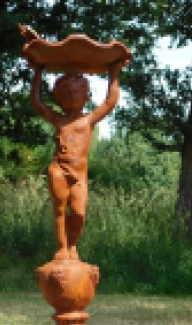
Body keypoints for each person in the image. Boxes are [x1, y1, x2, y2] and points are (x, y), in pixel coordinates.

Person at [30, 61, 125, 260]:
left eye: (77, 93)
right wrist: (38, 73)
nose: (72, 97)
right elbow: (37, 103)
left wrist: (114, 73)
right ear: (59, 97)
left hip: (79, 173)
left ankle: (72, 246)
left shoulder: (88, 120)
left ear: (86, 96)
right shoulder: (58, 119)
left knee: (79, 213)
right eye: (67, 93)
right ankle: (62, 248)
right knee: (60, 210)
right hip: (59, 169)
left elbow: (110, 101)